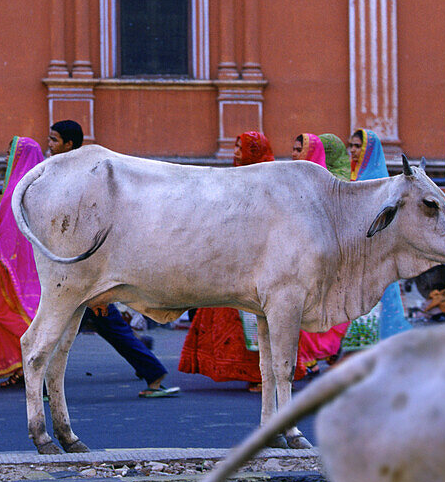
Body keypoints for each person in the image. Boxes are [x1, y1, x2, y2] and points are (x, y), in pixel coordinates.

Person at [48, 119, 179, 398]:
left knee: (102, 326)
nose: (49, 146)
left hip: (89, 271)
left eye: (54, 140)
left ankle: (153, 372)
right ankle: (151, 369)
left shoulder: (79, 178)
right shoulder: (69, 174)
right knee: (100, 328)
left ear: (69, 145)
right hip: (78, 270)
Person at [179, 132, 308, 391]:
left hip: (261, 262)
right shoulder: (235, 177)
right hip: (232, 258)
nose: (236, 151)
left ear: (255, 150)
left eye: (242, 147)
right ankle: (252, 371)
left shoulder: (269, 180)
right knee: (233, 320)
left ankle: (265, 375)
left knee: (259, 320)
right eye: (236, 145)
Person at [0, 136, 45, 387]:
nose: (6, 158)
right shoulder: (36, 186)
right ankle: (19, 363)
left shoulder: (21, 188)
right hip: (18, 263)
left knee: (3, 310)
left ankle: (34, 354)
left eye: (10, 153)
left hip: (11, 264)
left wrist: (5, 258)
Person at [292, 133, 350, 369]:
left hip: (321, 258)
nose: (294, 154)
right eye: (294, 149)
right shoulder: (293, 180)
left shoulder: (330, 185)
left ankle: (313, 356)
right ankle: (307, 358)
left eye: (299, 150)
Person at [349, 128, 411, 339]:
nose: (353, 150)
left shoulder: (377, 181)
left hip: (376, 253)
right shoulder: (352, 178)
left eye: (358, 146)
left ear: (369, 150)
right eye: (351, 146)